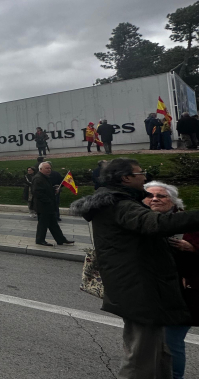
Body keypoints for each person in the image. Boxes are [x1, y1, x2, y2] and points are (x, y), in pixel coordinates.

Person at [70, 159, 199, 378]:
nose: (145, 177)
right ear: (125, 178)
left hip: (140, 287)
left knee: (160, 351)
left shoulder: (121, 202)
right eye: (141, 173)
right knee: (142, 356)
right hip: (139, 289)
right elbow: (155, 224)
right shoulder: (120, 204)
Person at [141, 181, 197, 379]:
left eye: (161, 196)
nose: (155, 199)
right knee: (151, 343)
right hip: (152, 293)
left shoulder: (188, 222)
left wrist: (193, 249)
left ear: (172, 200)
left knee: (171, 340)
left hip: (183, 293)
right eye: (150, 196)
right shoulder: (140, 221)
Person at [31, 163, 73, 246]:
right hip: (43, 206)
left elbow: (45, 190)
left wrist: (54, 190)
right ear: (41, 169)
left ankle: (61, 239)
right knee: (43, 224)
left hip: (48, 206)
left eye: (50, 168)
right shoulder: (38, 178)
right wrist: (49, 201)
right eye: (46, 168)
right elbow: (37, 193)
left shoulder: (44, 178)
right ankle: (40, 240)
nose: (49, 170)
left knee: (53, 224)